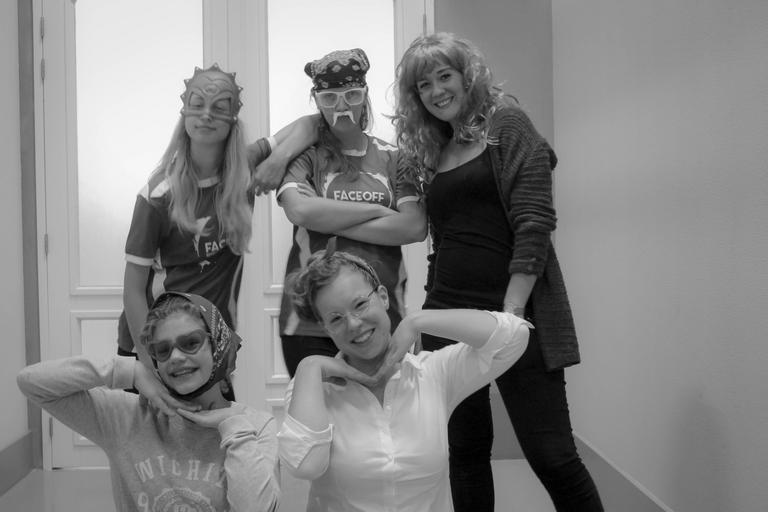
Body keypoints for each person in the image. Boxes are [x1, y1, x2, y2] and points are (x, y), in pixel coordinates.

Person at [392, 33, 604, 511]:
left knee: (552, 455)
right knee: (465, 454)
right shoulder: (433, 148)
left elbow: (535, 222)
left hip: (513, 313)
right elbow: (442, 239)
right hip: (448, 315)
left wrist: (512, 313)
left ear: (467, 76)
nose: (436, 91)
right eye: (423, 85)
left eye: (444, 76)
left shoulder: (506, 124)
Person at [119, 64, 313, 411]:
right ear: (184, 112)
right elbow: (133, 289)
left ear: (232, 117)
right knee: (152, 443)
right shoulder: (158, 194)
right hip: (155, 344)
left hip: (208, 344)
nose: (206, 115)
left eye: (219, 107)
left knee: (217, 439)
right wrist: (150, 362)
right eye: (197, 104)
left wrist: (277, 161)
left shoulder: (243, 171)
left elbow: (310, 125)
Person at [276, 246, 530, 512]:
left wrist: (417, 321)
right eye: (336, 319)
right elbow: (306, 465)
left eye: (360, 304)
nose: (353, 324)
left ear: (383, 297)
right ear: (325, 328)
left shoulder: (432, 373)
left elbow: (515, 336)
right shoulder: (312, 388)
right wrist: (309, 365)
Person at [18, 292, 280, 512]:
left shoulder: (255, 426)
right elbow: (31, 382)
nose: (175, 357)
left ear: (218, 346)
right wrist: (128, 370)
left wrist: (234, 427)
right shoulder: (127, 416)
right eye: (162, 350)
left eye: (191, 343)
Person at [275, 48, 426, 377]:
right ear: (317, 101)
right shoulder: (305, 158)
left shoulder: (395, 158)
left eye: (351, 95)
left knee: (383, 407)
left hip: (381, 315)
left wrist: (327, 219)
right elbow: (300, 211)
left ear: (364, 95)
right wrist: (376, 210)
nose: (341, 106)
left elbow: (414, 227)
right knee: (318, 408)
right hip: (310, 322)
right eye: (329, 98)